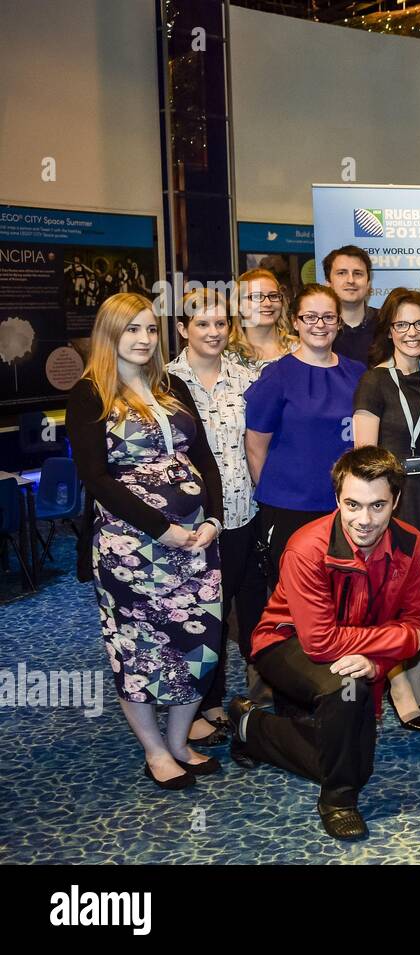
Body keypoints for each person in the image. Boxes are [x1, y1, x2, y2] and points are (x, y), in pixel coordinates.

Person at [227, 447, 420, 839]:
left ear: (396, 502)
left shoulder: (414, 544)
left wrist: (377, 664)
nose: (364, 519)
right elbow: (320, 642)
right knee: (347, 693)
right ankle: (338, 800)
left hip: (356, 653)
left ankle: (251, 727)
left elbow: (416, 623)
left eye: (377, 505)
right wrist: (383, 651)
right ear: (337, 499)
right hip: (285, 642)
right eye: (352, 504)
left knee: (358, 761)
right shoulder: (307, 547)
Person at [67, 292, 224, 790]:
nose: (143, 339)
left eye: (151, 329)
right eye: (131, 329)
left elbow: (206, 457)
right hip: (131, 550)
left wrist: (214, 519)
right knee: (137, 650)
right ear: (110, 334)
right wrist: (164, 529)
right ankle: (155, 751)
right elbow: (96, 478)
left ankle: (179, 743)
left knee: (199, 644)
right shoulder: (90, 393)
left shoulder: (172, 383)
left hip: (197, 544)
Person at [167, 288, 262, 748]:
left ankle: (241, 697)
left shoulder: (247, 379)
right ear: (183, 329)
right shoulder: (161, 384)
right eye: (202, 324)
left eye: (221, 323)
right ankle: (205, 701)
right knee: (202, 617)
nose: (213, 332)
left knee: (242, 613)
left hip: (243, 515)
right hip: (187, 525)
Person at [353, 288, 420, 731]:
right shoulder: (374, 380)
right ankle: (399, 685)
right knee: (397, 596)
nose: (412, 333)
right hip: (393, 503)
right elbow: (363, 455)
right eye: (403, 325)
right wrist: (376, 509)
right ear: (389, 331)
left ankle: (416, 674)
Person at [244, 284, 366, 586]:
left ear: (339, 322)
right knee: (294, 601)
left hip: (346, 507)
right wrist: (278, 496)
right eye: (310, 317)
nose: (319, 325)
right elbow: (255, 447)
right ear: (295, 322)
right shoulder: (277, 376)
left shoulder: (359, 373)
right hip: (290, 509)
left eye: (328, 317)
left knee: (345, 596)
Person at [228, 268, 295, 370]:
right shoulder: (226, 359)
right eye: (256, 297)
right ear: (238, 305)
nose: (267, 304)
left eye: (273, 296)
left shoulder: (300, 351)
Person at [324, 246, 379, 364]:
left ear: (368, 283)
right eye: (342, 273)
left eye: (358, 273)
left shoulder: (386, 322)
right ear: (328, 283)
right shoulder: (318, 327)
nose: (351, 280)